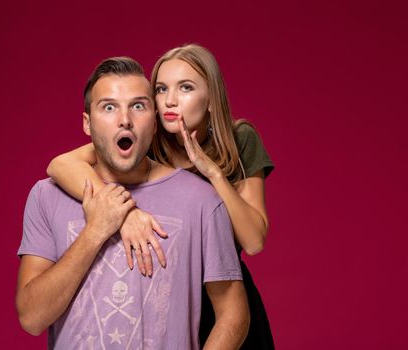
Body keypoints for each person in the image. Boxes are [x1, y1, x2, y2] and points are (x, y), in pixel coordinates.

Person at [47, 44, 275, 349]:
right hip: (171, 296)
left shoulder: (238, 139)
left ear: (211, 99)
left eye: (186, 88)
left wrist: (214, 174)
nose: (170, 100)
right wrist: (121, 212)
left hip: (222, 298)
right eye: (161, 88)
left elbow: (254, 241)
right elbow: (61, 164)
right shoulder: (146, 140)